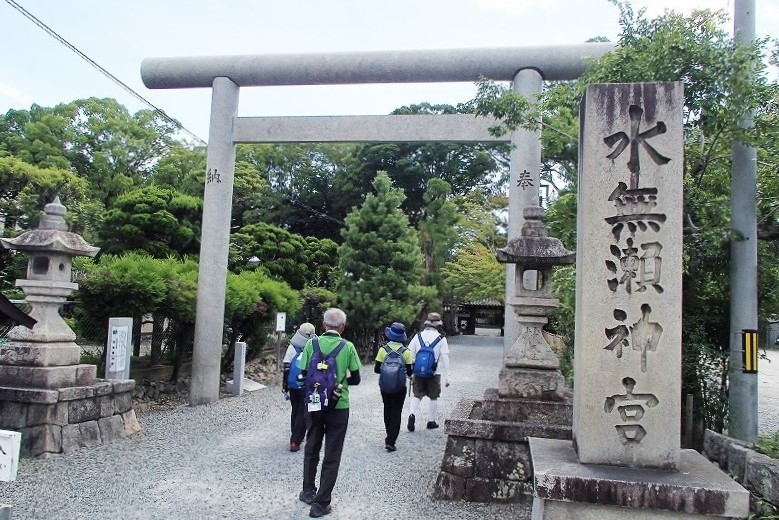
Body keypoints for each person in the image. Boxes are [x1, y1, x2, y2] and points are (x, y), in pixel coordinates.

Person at [297, 308, 362, 518]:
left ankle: (308, 491)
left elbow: (304, 373)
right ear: (342, 327)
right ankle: (321, 503)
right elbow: (357, 379)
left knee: (312, 445)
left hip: (314, 404)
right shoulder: (348, 346)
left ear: (324, 325)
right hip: (338, 405)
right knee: (332, 453)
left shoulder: (311, 344)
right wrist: (340, 380)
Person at [407, 312, 450, 431]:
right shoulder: (441, 338)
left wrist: (410, 372)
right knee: (433, 397)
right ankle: (431, 421)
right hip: (434, 372)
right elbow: (445, 357)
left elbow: (409, 353)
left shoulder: (418, 336)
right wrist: (448, 375)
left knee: (417, 395)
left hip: (418, 371)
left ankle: (411, 414)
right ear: (438, 325)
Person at [374, 321, 413, 452]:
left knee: (387, 409)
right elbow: (409, 372)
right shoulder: (406, 352)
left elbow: (377, 369)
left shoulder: (382, 350)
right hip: (400, 387)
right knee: (396, 412)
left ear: (390, 335)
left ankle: (388, 435)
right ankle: (391, 440)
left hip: (385, 386)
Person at [282, 322, 316, 452]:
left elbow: (286, 366)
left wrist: (285, 385)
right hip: (306, 384)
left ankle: (295, 435)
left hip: (292, 384)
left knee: (295, 410)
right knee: (304, 412)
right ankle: (295, 441)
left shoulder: (292, 347)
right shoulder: (313, 346)